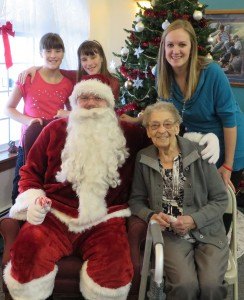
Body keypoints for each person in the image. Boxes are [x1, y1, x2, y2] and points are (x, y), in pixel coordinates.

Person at [3, 74, 147, 300]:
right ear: (74, 103)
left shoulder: (130, 135)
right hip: (54, 215)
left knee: (114, 269)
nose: (90, 103)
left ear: (109, 104)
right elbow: (29, 172)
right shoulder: (53, 130)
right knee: (28, 256)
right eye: (83, 98)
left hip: (106, 220)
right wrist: (32, 200)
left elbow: (164, 136)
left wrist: (201, 142)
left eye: (97, 98)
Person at [129, 102, 229, 300]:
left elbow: (220, 199)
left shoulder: (199, 153)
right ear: (148, 131)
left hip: (207, 231)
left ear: (177, 127)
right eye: (154, 125)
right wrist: (151, 216)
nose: (161, 130)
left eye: (167, 124)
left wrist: (194, 220)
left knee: (210, 286)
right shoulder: (143, 158)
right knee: (185, 286)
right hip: (171, 234)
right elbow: (136, 201)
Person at [157, 19, 244, 193]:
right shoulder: (163, 76)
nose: (175, 51)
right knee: (196, 202)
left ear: (192, 48)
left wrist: (227, 166)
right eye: (170, 45)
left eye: (182, 44)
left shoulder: (212, 72)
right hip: (199, 146)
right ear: (164, 48)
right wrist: (137, 120)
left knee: (220, 204)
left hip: (230, 145)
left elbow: (229, 120)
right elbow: (163, 113)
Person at [4, 32, 74, 204]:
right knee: (19, 194)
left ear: (63, 53)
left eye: (57, 51)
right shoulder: (28, 77)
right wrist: (29, 121)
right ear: (41, 53)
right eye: (48, 51)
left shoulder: (68, 84)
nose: (53, 55)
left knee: (46, 195)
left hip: (53, 149)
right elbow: (8, 108)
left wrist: (69, 114)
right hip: (27, 146)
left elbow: (76, 115)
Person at [19, 40, 120, 100]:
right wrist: (35, 68)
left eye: (93, 57)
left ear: (102, 58)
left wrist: (67, 114)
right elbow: (53, 68)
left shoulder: (113, 82)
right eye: (84, 59)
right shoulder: (75, 77)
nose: (89, 63)